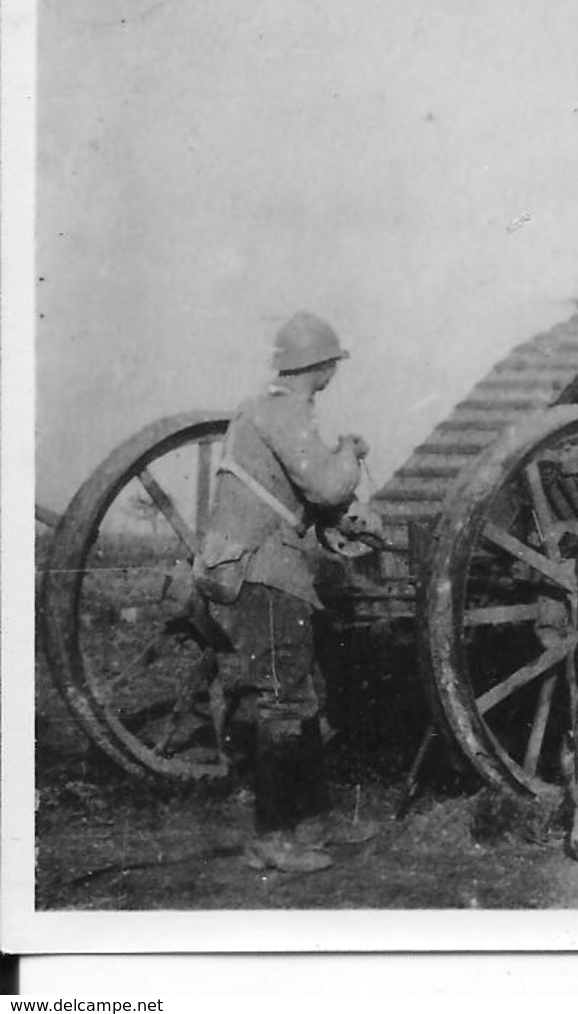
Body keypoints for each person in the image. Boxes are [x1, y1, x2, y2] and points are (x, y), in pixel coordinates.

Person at [201, 311, 371, 872]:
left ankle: (313, 821)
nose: (333, 374)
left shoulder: (263, 408)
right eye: (331, 364)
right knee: (283, 701)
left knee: (300, 693)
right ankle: (273, 838)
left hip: (259, 568)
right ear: (318, 366)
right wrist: (350, 453)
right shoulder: (284, 410)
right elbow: (325, 485)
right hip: (268, 574)